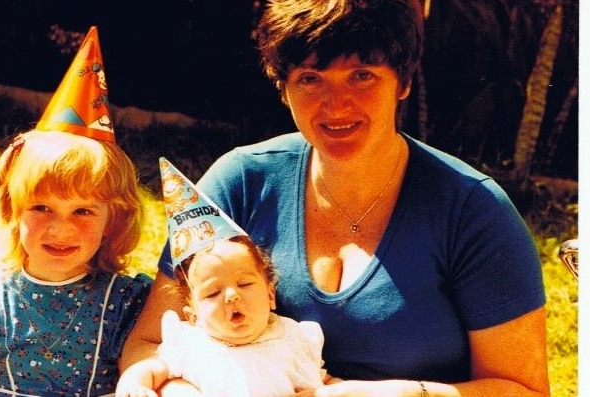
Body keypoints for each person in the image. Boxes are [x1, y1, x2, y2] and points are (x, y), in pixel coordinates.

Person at [121, 1, 550, 396]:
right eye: (310, 79)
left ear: (403, 82)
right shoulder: (242, 182)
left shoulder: (473, 211)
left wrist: (403, 394)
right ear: (283, 88)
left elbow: (525, 390)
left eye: (362, 75)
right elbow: (148, 344)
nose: (336, 104)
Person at [0, 26, 152, 397]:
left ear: (113, 218)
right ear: (11, 209)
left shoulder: (127, 302)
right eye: (41, 207)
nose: (60, 228)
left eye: (83, 211)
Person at [117, 158, 336, 397]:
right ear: (192, 316)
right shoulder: (191, 346)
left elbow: (326, 383)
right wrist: (134, 384)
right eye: (213, 293)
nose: (232, 296)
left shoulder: (293, 341)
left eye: (245, 284)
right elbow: (149, 369)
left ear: (271, 295)